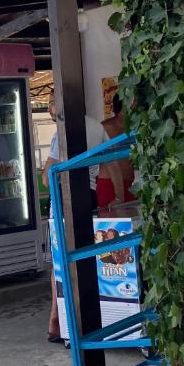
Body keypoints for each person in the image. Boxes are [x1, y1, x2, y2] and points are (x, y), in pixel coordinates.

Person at [42, 99, 124, 343]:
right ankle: (75, 320)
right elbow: (113, 162)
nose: (50, 108)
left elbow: (47, 178)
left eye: (52, 103)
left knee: (61, 261)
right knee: (85, 257)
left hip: (64, 199)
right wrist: (118, 195)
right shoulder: (97, 127)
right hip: (88, 196)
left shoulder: (63, 132)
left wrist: (47, 171)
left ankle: (60, 322)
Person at [97, 93, 137, 205]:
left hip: (129, 184)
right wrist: (119, 196)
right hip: (109, 186)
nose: (136, 106)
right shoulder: (104, 128)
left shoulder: (134, 127)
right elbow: (111, 162)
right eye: (133, 103)